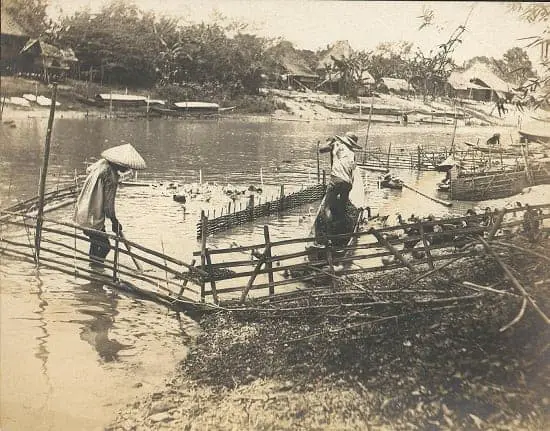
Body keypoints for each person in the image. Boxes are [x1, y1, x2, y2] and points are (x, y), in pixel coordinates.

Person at [74, 144, 146, 268]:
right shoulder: (111, 176)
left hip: (84, 210)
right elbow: (108, 206)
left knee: (95, 242)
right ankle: (97, 269)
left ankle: (93, 268)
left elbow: (88, 170)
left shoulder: (101, 164)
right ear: (119, 164)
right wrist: (114, 221)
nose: (126, 169)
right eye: (125, 166)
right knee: (105, 246)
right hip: (92, 215)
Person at [318, 132, 361, 218]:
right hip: (348, 183)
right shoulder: (352, 153)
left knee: (327, 207)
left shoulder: (336, 145)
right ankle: (341, 226)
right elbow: (353, 170)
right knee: (342, 208)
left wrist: (330, 142)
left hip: (336, 180)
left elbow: (321, 149)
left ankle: (328, 226)